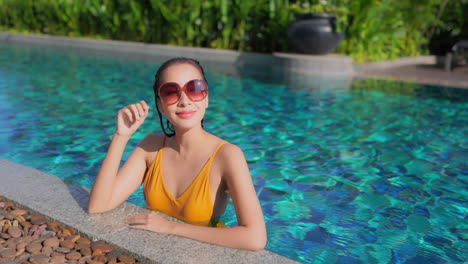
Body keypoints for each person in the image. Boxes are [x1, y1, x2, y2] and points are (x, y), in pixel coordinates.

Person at [88, 57, 267, 251]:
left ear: (206, 97)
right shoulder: (151, 148)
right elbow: (98, 206)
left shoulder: (227, 156)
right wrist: (121, 136)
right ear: (161, 105)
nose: (184, 101)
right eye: (171, 92)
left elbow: (255, 238)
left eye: (195, 89)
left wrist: (170, 227)